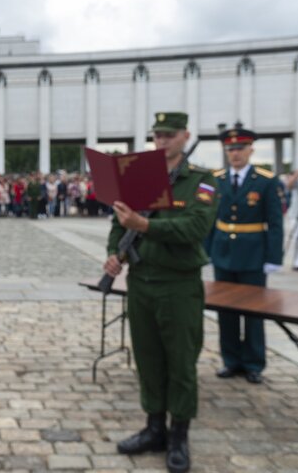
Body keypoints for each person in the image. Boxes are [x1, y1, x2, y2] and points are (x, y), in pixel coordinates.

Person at [103, 112, 217, 473]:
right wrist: (113, 253)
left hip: (178, 284)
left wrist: (146, 226)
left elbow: (196, 226)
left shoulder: (202, 181)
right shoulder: (139, 177)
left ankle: (178, 434)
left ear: (186, 136)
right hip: (141, 282)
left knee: (180, 361)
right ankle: (154, 428)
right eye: (158, 135)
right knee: (148, 359)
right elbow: (117, 220)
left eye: (170, 135)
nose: (163, 141)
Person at [206, 122, 284, 385]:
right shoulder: (217, 180)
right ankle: (231, 360)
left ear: (250, 150)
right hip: (223, 252)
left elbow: (275, 222)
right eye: (230, 149)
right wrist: (205, 251)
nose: (235, 154)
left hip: (253, 254)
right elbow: (209, 219)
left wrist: (273, 258)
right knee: (225, 310)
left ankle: (253, 363)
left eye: (240, 148)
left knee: (253, 311)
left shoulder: (265, 180)